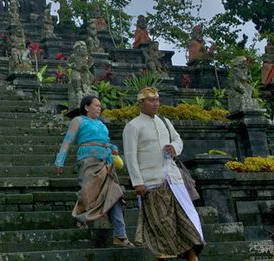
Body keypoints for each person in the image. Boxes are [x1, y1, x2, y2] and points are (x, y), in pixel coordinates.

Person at [122, 87, 204, 260]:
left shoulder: (165, 122)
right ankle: (165, 255)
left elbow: (178, 139)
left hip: (174, 180)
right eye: (151, 100)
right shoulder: (133, 126)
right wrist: (137, 182)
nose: (156, 104)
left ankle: (192, 255)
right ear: (141, 103)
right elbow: (130, 156)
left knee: (186, 218)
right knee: (160, 223)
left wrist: (174, 147)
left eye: (157, 100)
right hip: (151, 181)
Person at [54, 95, 133, 247]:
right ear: (86, 107)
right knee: (88, 193)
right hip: (88, 161)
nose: (99, 108)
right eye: (96, 105)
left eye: (100, 106)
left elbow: (106, 142)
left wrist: (113, 148)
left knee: (115, 194)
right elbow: (67, 141)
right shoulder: (78, 121)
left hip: (106, 163)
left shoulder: (101, 124)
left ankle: (120, 235)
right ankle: (81, 219)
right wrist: (60, 160)